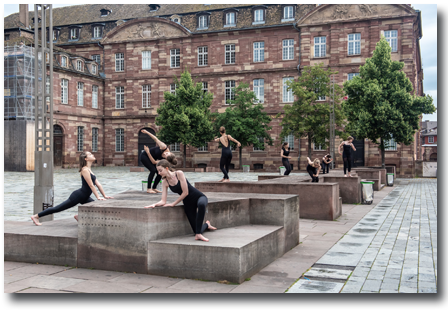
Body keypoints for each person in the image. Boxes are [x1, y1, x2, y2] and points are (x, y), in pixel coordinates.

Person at [144, 156, 217, 242]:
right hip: (188, 203)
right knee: (197, 230)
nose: (159, 173)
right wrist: (154, 204)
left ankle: (199, 235)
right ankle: (206, 225)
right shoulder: (165, 182)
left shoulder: (179, 173)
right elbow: (163, 200)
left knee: (201, 205)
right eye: (158, 171)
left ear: (166, 168)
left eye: (160, 170)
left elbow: (185, 192)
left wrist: (173, 204)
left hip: (198, 197)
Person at [30, 151, 114, 226]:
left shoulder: (89, 169)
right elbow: (91, 185)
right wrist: (98, 197)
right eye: (90, 154)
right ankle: (36, 216)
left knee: (96, 208)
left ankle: (79, 216)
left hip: (84, 196)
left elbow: (98, 184)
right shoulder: (84, 170)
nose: (93, 155)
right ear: (86, 159)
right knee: (58, 208)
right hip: (78, 196)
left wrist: (105, 195)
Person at [140, 129, 172, 193]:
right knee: (153, 170)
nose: (164, 155)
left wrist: (149, 152)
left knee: (159, 173)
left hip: (150, 157)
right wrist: (146, 132)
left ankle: (154, 188)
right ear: (169, 152)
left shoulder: (165, 159)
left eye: (165, 157)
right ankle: (149, 188)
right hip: (144, 156)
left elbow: (154, 162)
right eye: (166, 154)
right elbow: (155, 138)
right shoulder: (163, 146)